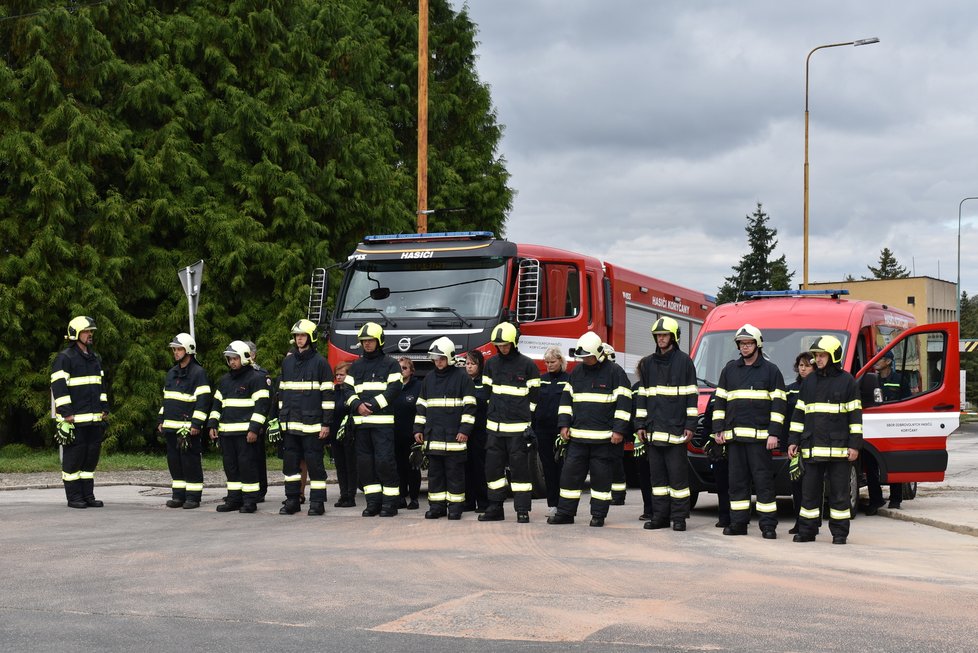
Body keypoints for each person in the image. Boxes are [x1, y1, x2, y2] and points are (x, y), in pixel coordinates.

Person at [547, 331, 632, 527]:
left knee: (601, 481)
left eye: (588, 356)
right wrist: (564, 424)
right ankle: (566, 513)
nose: (585, 360)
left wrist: (619, 430)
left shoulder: (615, 372)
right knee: (569, 478)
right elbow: (566, 401)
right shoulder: (577, 373)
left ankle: (598, 515)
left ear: (599, 353)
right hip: (578, 439)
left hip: (604, 440)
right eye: (582, 357)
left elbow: (624, 403)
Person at [711, 324, 786, 539]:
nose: (745, 347)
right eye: (742, 344)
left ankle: (768, 526)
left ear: (757, 344)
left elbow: (779, 405)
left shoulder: (771, 371)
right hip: (735, 440)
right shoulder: (730, 370)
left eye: (749, 343)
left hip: (760, 441)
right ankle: (738, 524)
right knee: (737, 484)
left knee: (763, 484)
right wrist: (718, 430)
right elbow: (720, 403)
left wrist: (774, 433)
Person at [788, 335, 863, 545]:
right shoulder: (809, 381)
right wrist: (793, 440)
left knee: (839, 494)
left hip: (839, 451)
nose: (818, 359)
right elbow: (799, 414)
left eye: (822, 355)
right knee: (809, 493)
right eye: (816, 355)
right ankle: (807, 531)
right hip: (811, 448)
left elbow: (855, 417)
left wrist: (854, 446)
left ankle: (840, 533)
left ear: (834, 356)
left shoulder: (847, 381)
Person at [636, 317, 697, 531]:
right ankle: (659, 517)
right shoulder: (648, 364)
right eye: (658, 336)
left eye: (664, 335)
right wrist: (640, 425)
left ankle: (679, 518)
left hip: (677, 431)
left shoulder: (684, 362)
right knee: (658, 481)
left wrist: (691, 425)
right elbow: (642, 396)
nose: (661, 339)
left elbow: (691, 396)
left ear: (673, 337)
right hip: (653, 432)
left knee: (678, 480)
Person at [479, 322, 541, 523]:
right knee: (493, 470)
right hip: (494, 429)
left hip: (517, 430)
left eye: (505, 344)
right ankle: (495, 508)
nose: (502, 348)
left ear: (514, 342)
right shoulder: (491, 364)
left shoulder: (528, 365)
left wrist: (525, 420)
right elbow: (487, 393)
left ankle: (522, 510)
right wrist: (495, 411)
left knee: (520, 471)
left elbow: (534, 397)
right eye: (499, 345)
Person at [414, 337, 477, 520]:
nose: (438, 362)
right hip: (433, 438)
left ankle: (456, 508)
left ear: (449, 357)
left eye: (441, 358)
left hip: (455, 440)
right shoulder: (429, 379)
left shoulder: (462, 378)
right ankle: (437, 507)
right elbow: (421, 406)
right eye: (435, 358)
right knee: (435, 476)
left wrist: (465, 430)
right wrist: (418, 428)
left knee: (455, 476)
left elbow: (470, 406)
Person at [50, 316, 109, 509]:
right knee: (74, 460)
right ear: (76, 334)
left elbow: (101, 386)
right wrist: (67, 413)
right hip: (74, 420)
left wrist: (104, 409)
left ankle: (88, 496)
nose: (90, 335)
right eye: (86, 331)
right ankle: (74, 497)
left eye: (91, 331)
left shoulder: (94, 358)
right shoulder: (65, 358)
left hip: (94, 420)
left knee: (90, 460)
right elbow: (59, 387)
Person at [277, 320, 334, 517]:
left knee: (315, 465)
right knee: (290, 465)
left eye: (302, 335)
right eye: (297, 336)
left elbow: (328, 397)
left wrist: (326, 423)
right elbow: (282, 393)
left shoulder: (320, 363)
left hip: (313, 426)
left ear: (310, 337)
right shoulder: (288, 362)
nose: (299, 339)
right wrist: (281, 420)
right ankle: (292, 500)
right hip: (290, 425)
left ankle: (317, 502)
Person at [345, 322, 403, 517]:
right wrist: (357, 405)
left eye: (370, 341)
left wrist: (372, 405)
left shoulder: (391, 364)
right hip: (361, 425)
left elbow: (395, 388)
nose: (367, 344)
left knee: (385, 463)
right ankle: (373, 503)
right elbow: (347, 389)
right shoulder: (356, 366)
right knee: (365, 466)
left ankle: (390, 504)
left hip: (382, 425)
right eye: (364, 341)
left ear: (379, 341)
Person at [208, 340, 271, 513]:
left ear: (243, 358)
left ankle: (250, 501)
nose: (232, 362)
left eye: (235, 358)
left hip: (245, 434)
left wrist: (253, 429)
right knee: (231, 467)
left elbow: (261, 406)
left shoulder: (256, 378)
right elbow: (217, 404)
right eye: (229, 359)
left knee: (247, 466)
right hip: (227, 433)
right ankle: (234, 499)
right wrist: (213, 423)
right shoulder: (225, 380)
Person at [157, 333, 211, 510]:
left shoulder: (198, 373)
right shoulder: (172, 373)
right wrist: (161, 419)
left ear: (189, 350)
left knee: (190, 462)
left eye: (179, 349)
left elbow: (203, 401)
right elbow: (167, 399)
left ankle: (193, 497)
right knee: (175, 462)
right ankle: (178, 495)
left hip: (187, 429)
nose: (175, 352)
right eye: (174, 349)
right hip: (171, 428)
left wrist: (196, 424)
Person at [865, 350, 907, 512]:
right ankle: (875, 500)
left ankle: (896, 499)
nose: (875, 361)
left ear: (888, 361)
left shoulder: (899, 379)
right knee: (870, 464)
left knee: (893, 463)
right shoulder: (870, 380)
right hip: (874, 428)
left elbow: (907, 401)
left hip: (892, 428)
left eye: (879, 359)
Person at [532, 345, 569, 516]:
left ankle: (563, 504)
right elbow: (533, 405)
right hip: (542, 430)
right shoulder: (541, 380)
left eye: (552, 362)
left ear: (560, 361)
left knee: (562, 467)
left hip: (560, 431)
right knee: (548, 468)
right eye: (546, 362)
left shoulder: (568, 380)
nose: (549, 365)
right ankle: (552, 504)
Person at [783, 352, 814, 533]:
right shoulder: (791, 389)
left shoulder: (818, 388)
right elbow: (787, 418)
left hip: (813, 443)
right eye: (800, 365)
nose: (803, 369)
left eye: (807, 365)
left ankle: (812, 522)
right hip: (795, 443)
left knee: (812, 486)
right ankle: (799, 522)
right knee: (796, 485)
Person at [462, 350, 490, 512]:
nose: (469, 367)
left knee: (480, 467)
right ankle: (468, 501)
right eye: (467, 364)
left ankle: (483, 502)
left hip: (480, 431)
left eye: (473, 364)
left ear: (480, 365)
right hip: (465, 431)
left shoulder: (484, 383)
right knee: (466, 466)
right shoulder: (463, 382)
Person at [393, 357, 422, 510]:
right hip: (394, 434)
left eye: (404, 368)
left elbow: (422, 410)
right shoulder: (392, 386)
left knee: (413, 468)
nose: (401, 370)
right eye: (399, 368)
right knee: (398, 467)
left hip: (412, 435)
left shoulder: (418, 387)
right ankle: (401, 497)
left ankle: (414, 498)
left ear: (411, 370)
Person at [245, 340, 271, 503]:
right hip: (239, 424)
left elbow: (265, 402)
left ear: (253, 355)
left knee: (257, 458)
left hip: (256, 424)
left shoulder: (261, 374)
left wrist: (260, 425)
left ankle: (260, 490)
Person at [330, 361, 358, 507]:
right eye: (337, 375)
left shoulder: (352, 391)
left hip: (349, 433)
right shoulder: (333, 391)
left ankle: (351, 496)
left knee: (350, 465)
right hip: (335, 432)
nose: (339, 377)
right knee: (340, 465)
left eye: (342, 374)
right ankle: (343, 495)